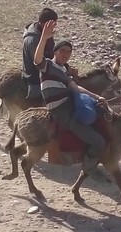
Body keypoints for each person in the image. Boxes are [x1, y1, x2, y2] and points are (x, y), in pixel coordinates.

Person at [33, 22, 109, 165]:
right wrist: (44, 38)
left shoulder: (63, 71)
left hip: (70, 105)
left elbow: (76, 88)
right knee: (98, 142)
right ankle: (89, 168)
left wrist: (98, 97)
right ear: (55, 52)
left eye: (69, 52)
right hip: (62, 112)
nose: (66, 55)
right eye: (63, 51)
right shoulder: (48, 65)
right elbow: (37, 59)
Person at [22, 7, 58, 100]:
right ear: (45, 24)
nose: (55, 26)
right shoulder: (33, 40)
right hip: (35, 78)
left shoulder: (45, 32)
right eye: (53, 24)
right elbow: (40, 64)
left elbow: (51, 53)